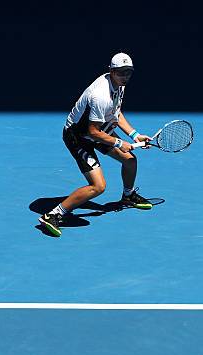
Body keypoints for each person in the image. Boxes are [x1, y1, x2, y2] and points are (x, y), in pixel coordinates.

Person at [39, 52, 154, 237]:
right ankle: (53, 215)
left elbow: (116, 113)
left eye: (128, 72)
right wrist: (119, 142)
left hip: (99, 129)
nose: (125, 76)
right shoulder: (100, 95)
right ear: (111, 71)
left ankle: (128, 196)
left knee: (130, 160)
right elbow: (92, 132)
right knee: (98, 186)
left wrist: (135, 135)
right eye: (121, 72)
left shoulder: (119, 84)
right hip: (78, 136)